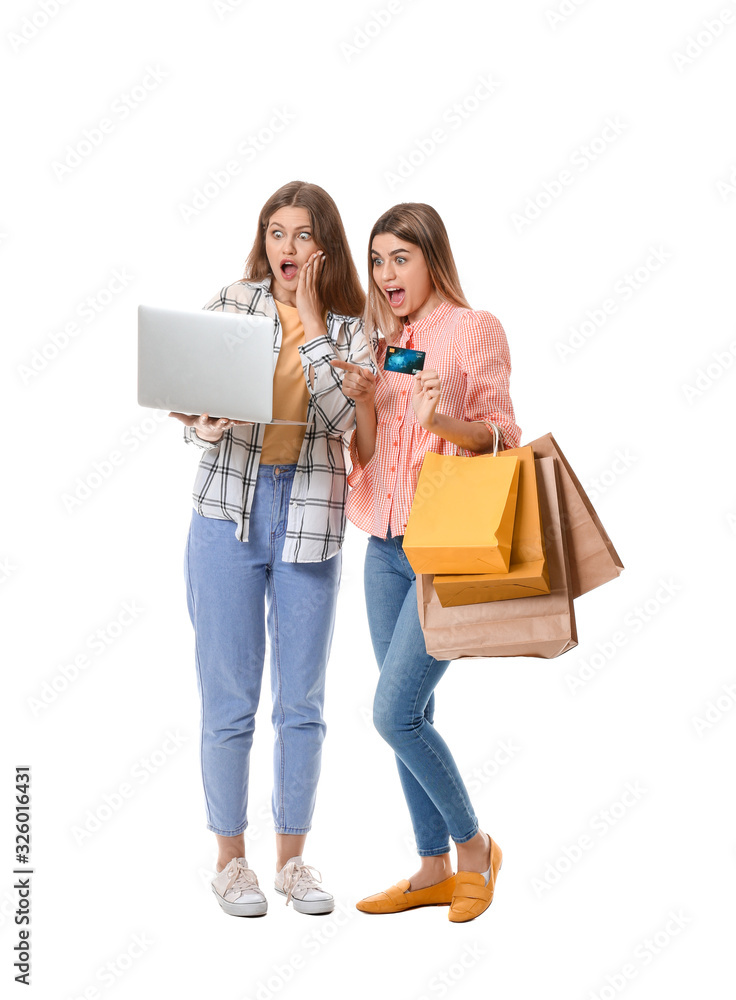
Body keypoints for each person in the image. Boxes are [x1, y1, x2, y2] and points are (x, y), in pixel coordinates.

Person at [170, 181, 371, 917]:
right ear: (266, 241)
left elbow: (344, 417)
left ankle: (293, 862)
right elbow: (193, 407)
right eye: (277, 232)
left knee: (303, 702)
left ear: (326, 246)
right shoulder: (234, 303)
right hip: (228, 511)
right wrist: (205, 424)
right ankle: (230, 862)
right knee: (229, 698)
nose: (289, 247)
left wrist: (313, 323)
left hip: (311, 511)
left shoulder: (351, 328)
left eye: (304, 234)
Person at [331, 202, 521, 923]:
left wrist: (444, 424)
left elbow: (505, 437)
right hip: (383, 546)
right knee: (415, 708)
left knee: (394, 712)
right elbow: (374, 459)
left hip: (445, 546)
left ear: (431, 258)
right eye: (376, 261)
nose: (384, 275)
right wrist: (364, 406)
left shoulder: (476, 330)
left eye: (398, 258)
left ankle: (475, 849)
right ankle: (432, 865)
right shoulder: (386, 345)